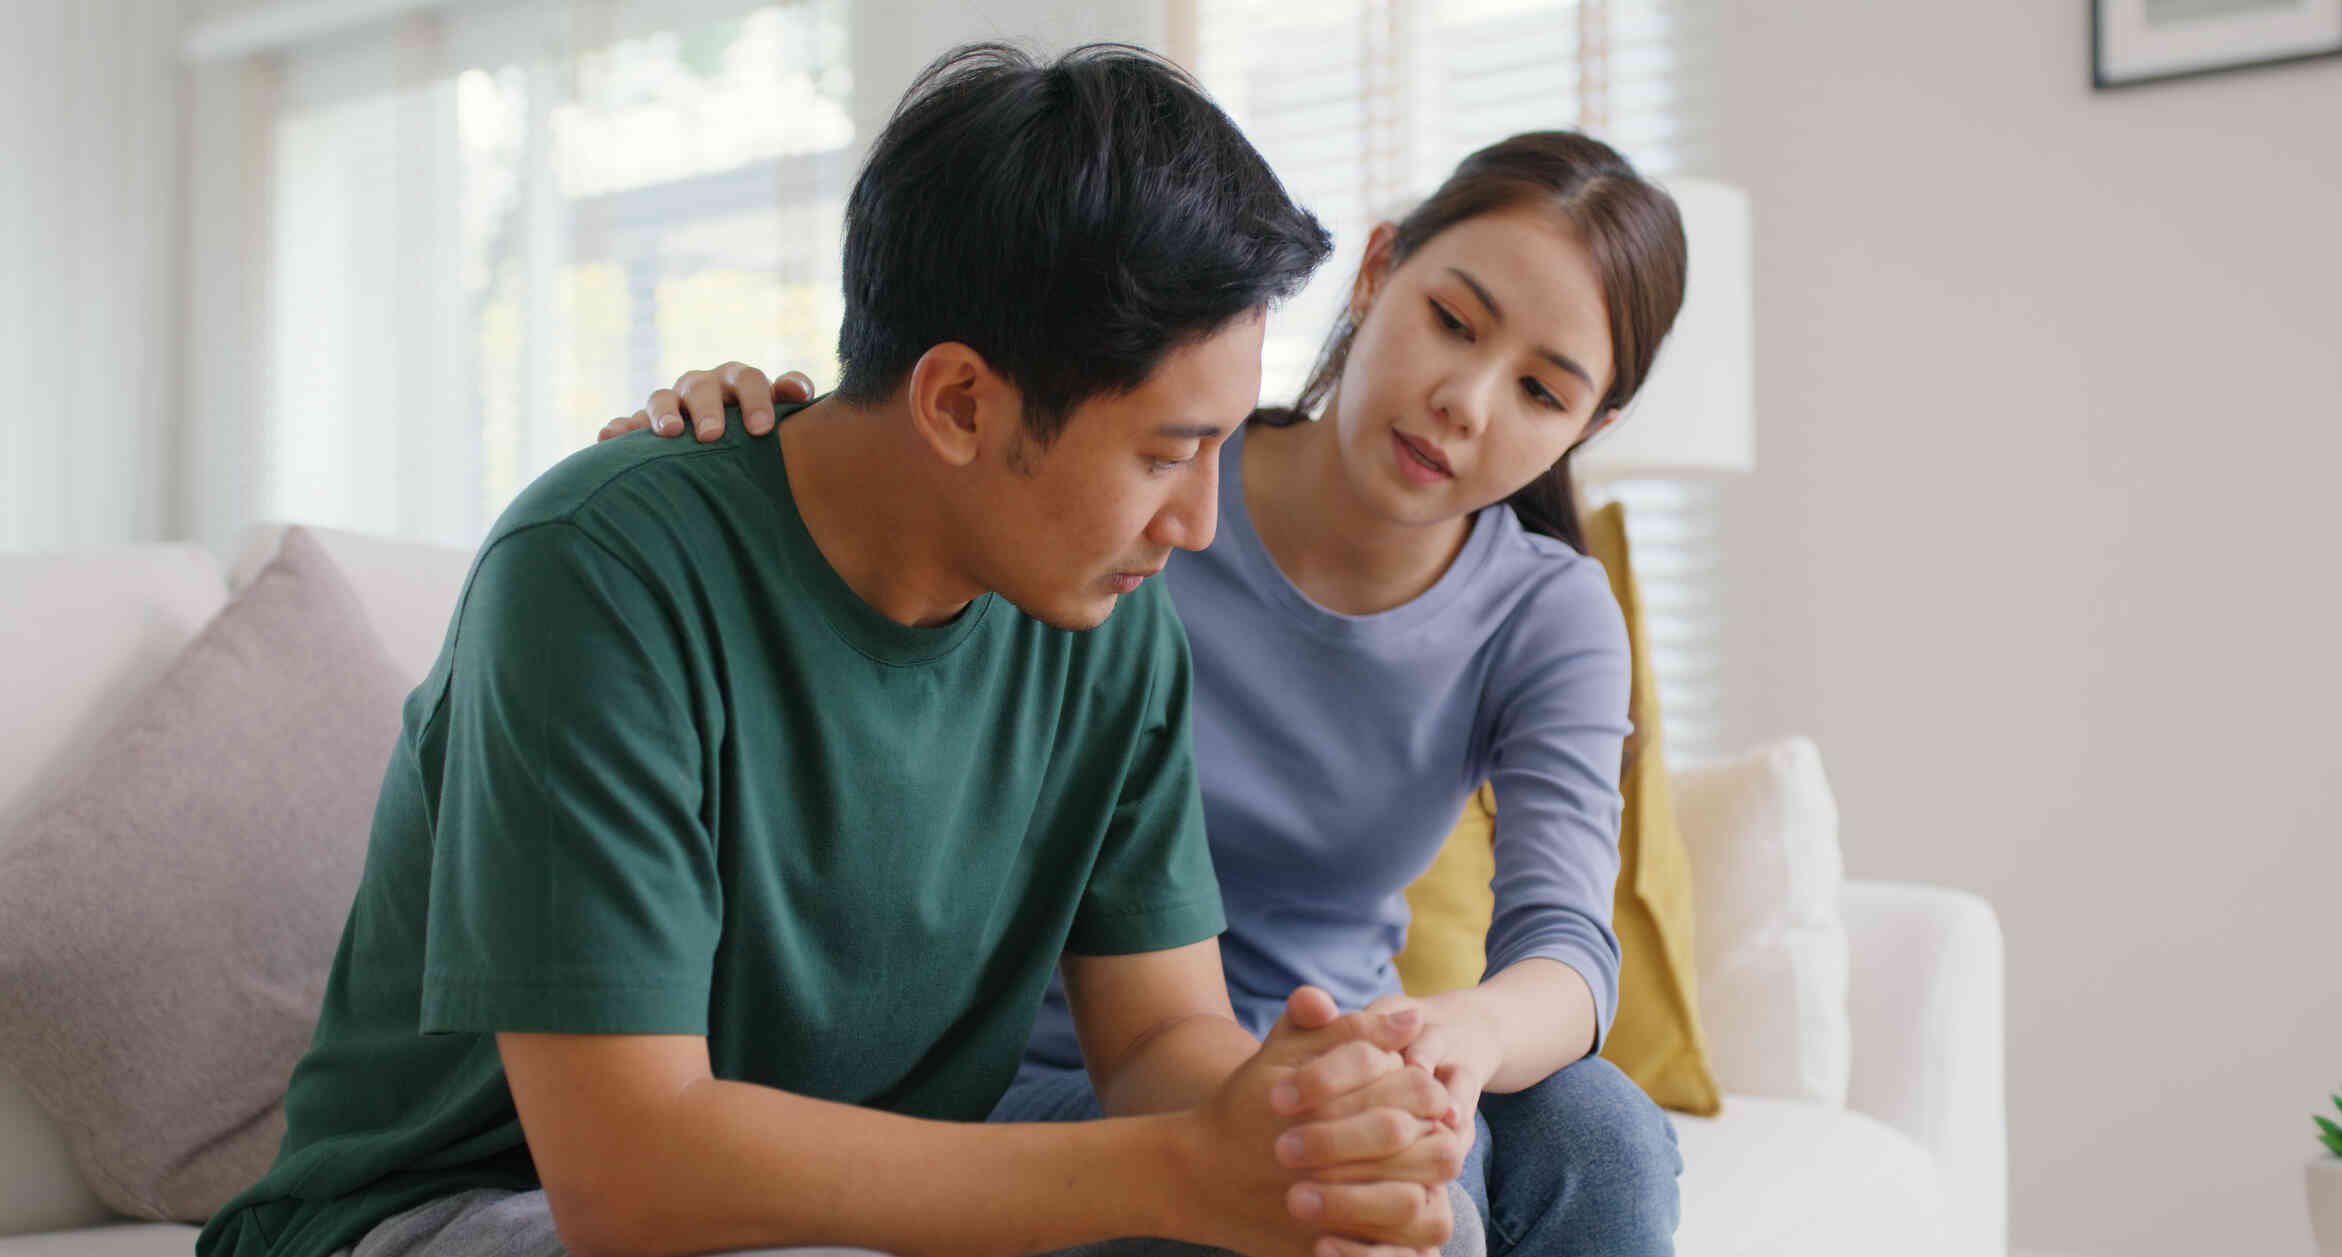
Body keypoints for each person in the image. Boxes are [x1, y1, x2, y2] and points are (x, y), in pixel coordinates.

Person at [200, 43, 1483, 1257]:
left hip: (852, 1208)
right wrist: (1178, 1175)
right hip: (457, 1208)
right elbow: (624, 1170)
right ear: (960, 403)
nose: (1200, 522)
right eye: (1163, 452)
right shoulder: (596, 571)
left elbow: (1157, 1042)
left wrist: (1291, 1131)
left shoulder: (1109, 617)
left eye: (1216, 446)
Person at [618, 130, 1692, 1256]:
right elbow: (921, 464)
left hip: (1339, 1053)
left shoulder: (1545, 611)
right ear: (1376, 271)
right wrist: (751, 428)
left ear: (1591, 427)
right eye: (1451, 322)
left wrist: (1443, 1040)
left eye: (1538, 389)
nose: (1463, 402)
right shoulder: (1129, 484)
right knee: (1410, 1213)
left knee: (1599, 1129)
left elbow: (1565, 948)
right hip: (1052, 1078)